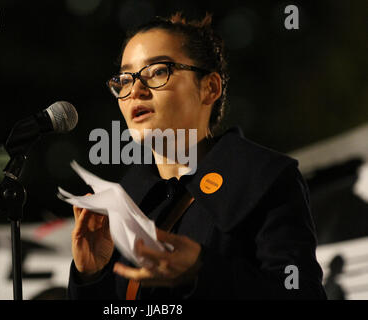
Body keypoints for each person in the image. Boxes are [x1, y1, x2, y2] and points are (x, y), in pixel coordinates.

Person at [67, 12, 327, 299]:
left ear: (209, 88)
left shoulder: (262, 178)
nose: (135, 91)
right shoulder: (124, 200)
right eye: (125, 79)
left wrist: (202, 271)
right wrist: (90, 275)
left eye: (158, 71)